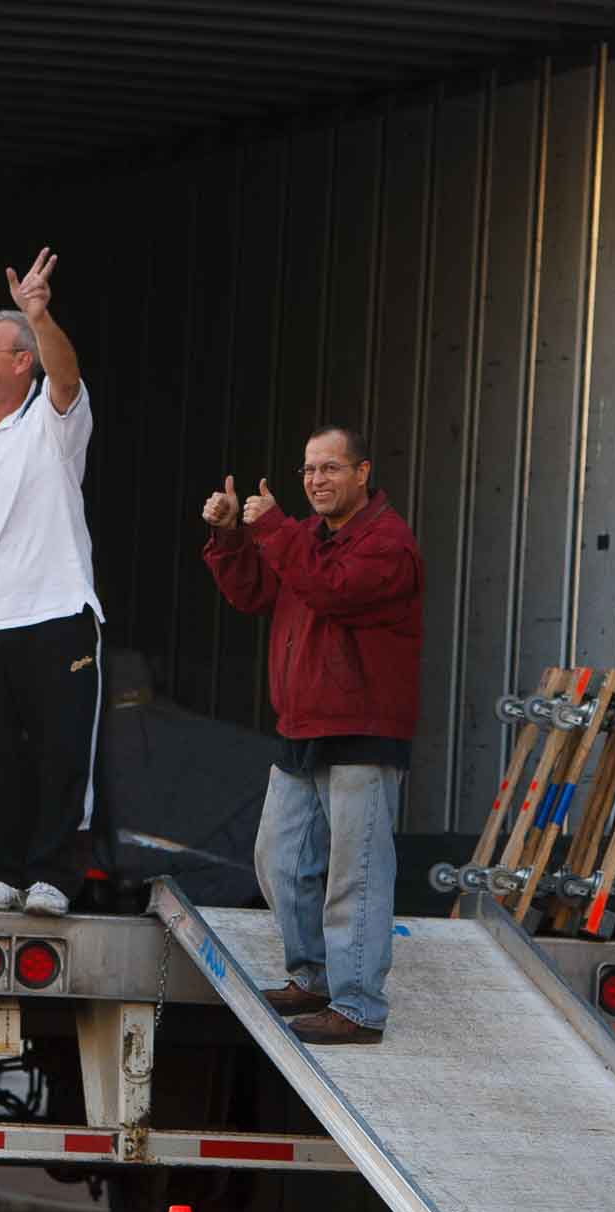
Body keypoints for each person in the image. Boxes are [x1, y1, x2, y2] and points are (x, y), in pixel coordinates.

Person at [200, 427, 424, 1045]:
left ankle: (357, 1008)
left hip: (362, 732)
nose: (317, 481)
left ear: (362, 473)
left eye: (330, 468)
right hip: (302, 727)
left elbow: (334, 590)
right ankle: (315, 978)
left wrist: (272, 530)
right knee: (277, 859)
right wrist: (228, 535)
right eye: (307, 471)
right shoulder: (307, 541)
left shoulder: (387, 542)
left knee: (356, 875)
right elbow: (254, 593)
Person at [0, 248, 102, 918]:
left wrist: (39, 314)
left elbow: (68, 375)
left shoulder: (53, 419)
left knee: (60, 757)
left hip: (54, 612)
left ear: (21, 361)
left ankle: (52, 879)